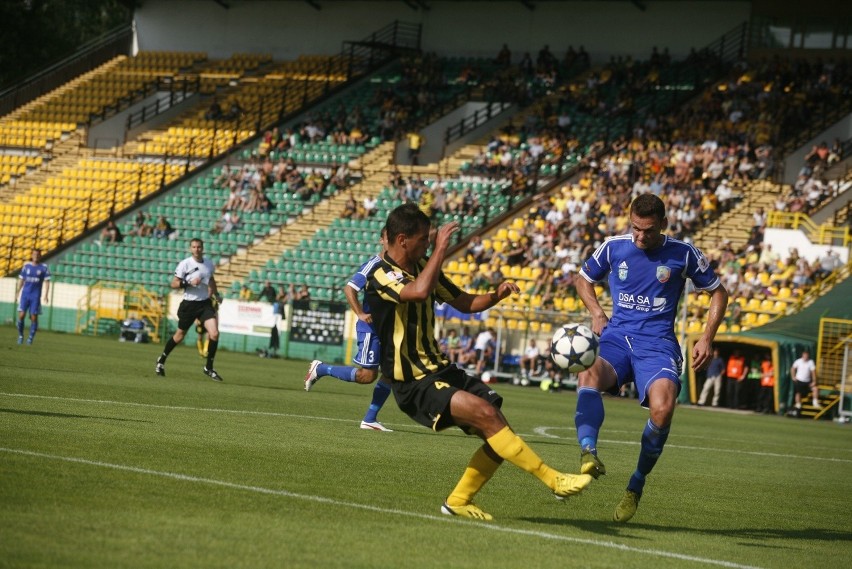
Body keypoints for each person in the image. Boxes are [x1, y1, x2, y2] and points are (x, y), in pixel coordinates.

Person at [362, 203, 591, 521]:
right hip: (411, 379)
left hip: (440, 369)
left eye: (431, 242)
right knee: (486, 415)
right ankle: (555, 480)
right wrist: (441, 248)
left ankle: (458, 500)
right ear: (402, 239)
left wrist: (495, 295)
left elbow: (463, 301)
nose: (428, 245)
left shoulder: (424, 265)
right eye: (424, 241)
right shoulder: (381, 273)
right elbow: (417, 291)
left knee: (498, 426)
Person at [573, 193, 727, 523]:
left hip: (657, 344)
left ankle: (635, 485)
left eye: (648, 230)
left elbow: (718, 291)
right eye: (635, 229)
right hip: (616, 338)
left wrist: (707, 336)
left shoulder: (683, 254)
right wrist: (597, 312)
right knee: (587, 375)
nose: (640, 237)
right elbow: (583, 280)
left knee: (664, 407)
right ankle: (588, 452)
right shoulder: (614, 247)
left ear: (663, 225)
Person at [304, 228, 394, 432]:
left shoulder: (398, 267)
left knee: (391, 373)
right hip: (371, 328)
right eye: (388, 239)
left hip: (389, 329)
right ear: (382, 240)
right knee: (367, 376)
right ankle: (321, 369)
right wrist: (361, 313)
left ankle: (370, 419)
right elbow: (350, 288)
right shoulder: (374, 264)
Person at [155, 238, 224, 381]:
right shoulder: (185, 264)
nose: (196, 249)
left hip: (204, 303)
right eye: (194, 247)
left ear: (202, 248)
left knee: (215, 333)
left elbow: (211, 280)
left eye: (199, 247)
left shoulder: (209, 264)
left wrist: (216, 294)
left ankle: (209, 368)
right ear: (190, 249)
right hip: (189, 304)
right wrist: (188, 282)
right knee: (179, 335)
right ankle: (161, 361)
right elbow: (174, 283)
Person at [15, 249, 50, 345]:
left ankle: (30, 338)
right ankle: (21, 336)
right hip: (25, 295)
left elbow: (47, 282)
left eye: (38, 254)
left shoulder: (44, 267)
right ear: (32, 255)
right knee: (21, 315)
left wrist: (46, 295)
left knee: (34, 317)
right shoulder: (26, 266)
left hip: (35, 296)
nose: (36, 256)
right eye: (34, 254)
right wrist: (18, 292)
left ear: (40, 256)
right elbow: (21, 280)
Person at [790, 349, 820, 414]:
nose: (805, 356)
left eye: (807, 355)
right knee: (798, 393)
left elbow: (813, 372)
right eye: (804, 355)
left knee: (815, 389)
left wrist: (814, 381)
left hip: (807, 382)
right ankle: (798, 404)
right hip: (799, 380)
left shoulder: (811, 362)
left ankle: (815, 403)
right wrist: (793, 377)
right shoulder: (798, 361)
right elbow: (792, 368)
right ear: (802, 355)